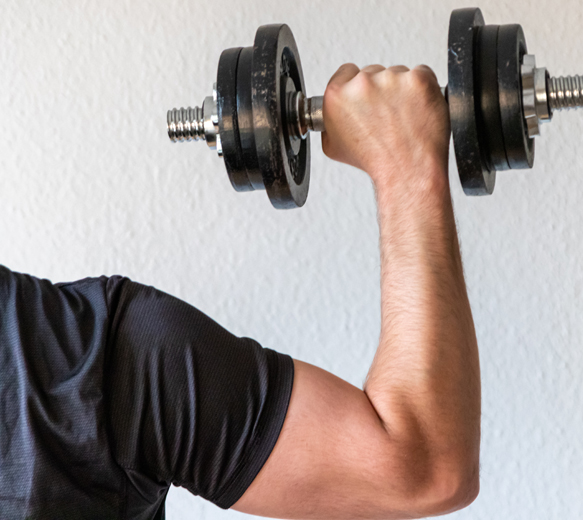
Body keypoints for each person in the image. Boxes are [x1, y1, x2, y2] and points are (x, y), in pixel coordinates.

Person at [0, 63, 480, 519]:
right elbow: (428, 469)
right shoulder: (97, 355)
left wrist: (407, 165)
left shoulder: (105, 361)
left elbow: (425, 469)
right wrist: (405, 161)